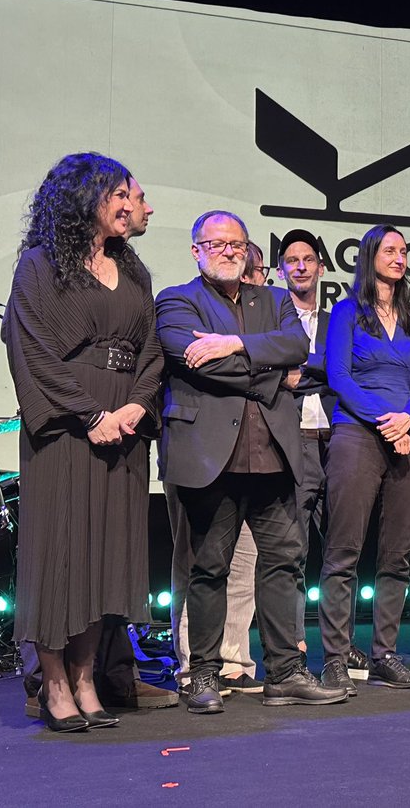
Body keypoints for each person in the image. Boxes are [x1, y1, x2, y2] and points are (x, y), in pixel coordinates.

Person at [156, 210, 346, 713]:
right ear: (196, 250)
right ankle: (202, 675)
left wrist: (236, 343)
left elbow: (296, 346)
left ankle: (285, 673)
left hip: (275, 456)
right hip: (209, 457)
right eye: (215, 244)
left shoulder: (278, 299)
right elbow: (191, 359)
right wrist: (269, 375)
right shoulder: (177, 300)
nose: (227, 251)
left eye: (236, 245)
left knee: (284, 564)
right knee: (207, 570)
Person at [4, 152, 164, 731]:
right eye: (118, 193)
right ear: (83, 199)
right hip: (66, 430)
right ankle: (53, 684)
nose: (130, 204)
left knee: (108, 557)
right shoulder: (40, 266)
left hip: (122, 425)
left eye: (129, 194)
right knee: (60, 553)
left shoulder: (135, 270)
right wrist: (89, 412)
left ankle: (87, 676)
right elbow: (33, 352)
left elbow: (153, 352)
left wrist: (134, 407)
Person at [319, 224, 410, 691]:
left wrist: (407, 418)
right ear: (369, 257)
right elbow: (339, 376)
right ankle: (335, 657)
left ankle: (385, 653)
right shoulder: (347, 311)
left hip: (409, 437)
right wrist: (386, 419)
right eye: (391, 250)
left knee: (398, 555)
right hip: (358, 435)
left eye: (404, 251)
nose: (400, 257)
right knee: (343, 552)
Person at [165, 246, 267, 696]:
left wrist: (257, 351)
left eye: (255, 268)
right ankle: (192, 664)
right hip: (199, 451)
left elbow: (299, 360)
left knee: (244, 563)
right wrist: (266, 367)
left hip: (254, 454)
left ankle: (233, 659)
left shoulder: (264, 314)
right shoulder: (185, 301)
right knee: (198, 562)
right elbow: (200, 361)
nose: (250, 274)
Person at [275, 229, 346, 668]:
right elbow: (273, 371)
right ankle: (294, 645)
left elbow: (341, 371)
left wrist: (310, 371)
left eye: (307, 259)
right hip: (293, 439)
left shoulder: (338, 318)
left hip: (338, 439)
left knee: (341, 550)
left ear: (321, 266)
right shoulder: (273, 317)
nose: (300, 266)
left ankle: (339, 649)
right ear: (281, 269)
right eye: (291, 260)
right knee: (292, 549)